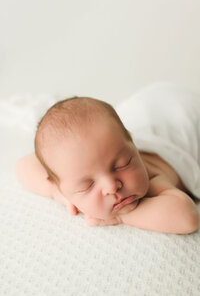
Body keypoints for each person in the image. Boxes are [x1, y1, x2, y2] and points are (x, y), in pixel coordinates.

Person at [15, 83, 200, 234]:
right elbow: (23, 166)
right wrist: (58, 193)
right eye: (87, 185)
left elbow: (187, 218)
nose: (112, 186)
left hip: (184, 117)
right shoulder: (69, 173)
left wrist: (122, 217)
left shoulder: (154, 179)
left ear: (133, 145)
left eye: (122, 164)